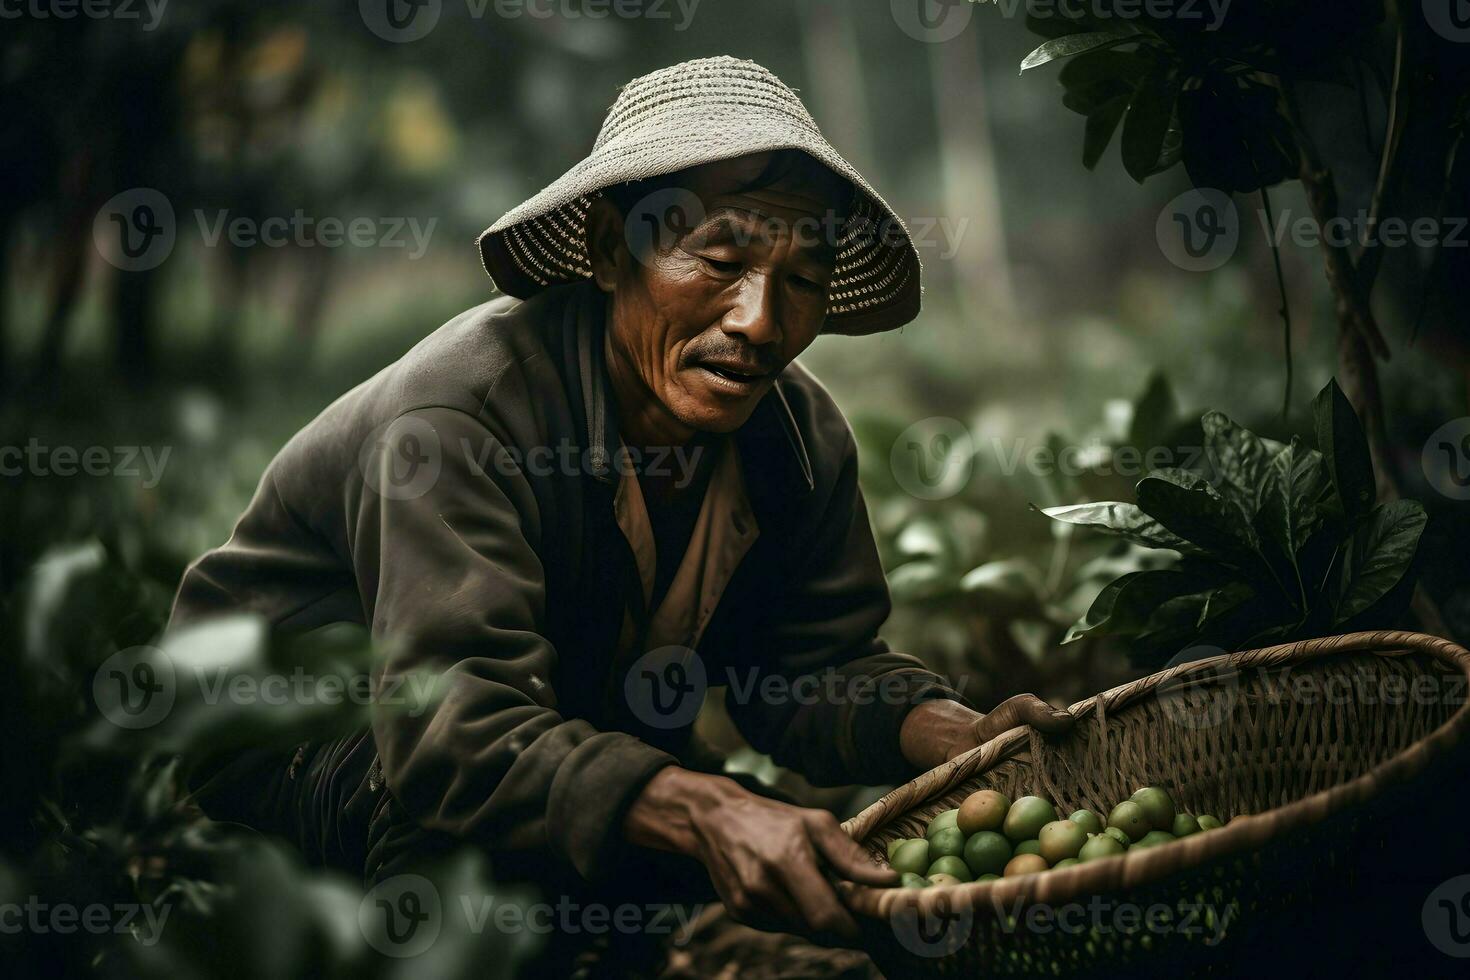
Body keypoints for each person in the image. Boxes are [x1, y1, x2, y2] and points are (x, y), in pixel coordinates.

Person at [169, 56, 1071, 959]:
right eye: (720, 259)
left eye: (801, 279)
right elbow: (452, 735)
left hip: (556, 715)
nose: (761, 320)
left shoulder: (795, 440)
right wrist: (704, 805)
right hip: (309, 728)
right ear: (609, 252)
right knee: (471, 843)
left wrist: (958, 735)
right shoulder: (460, 420)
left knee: (777, 871)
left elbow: (808, 665)